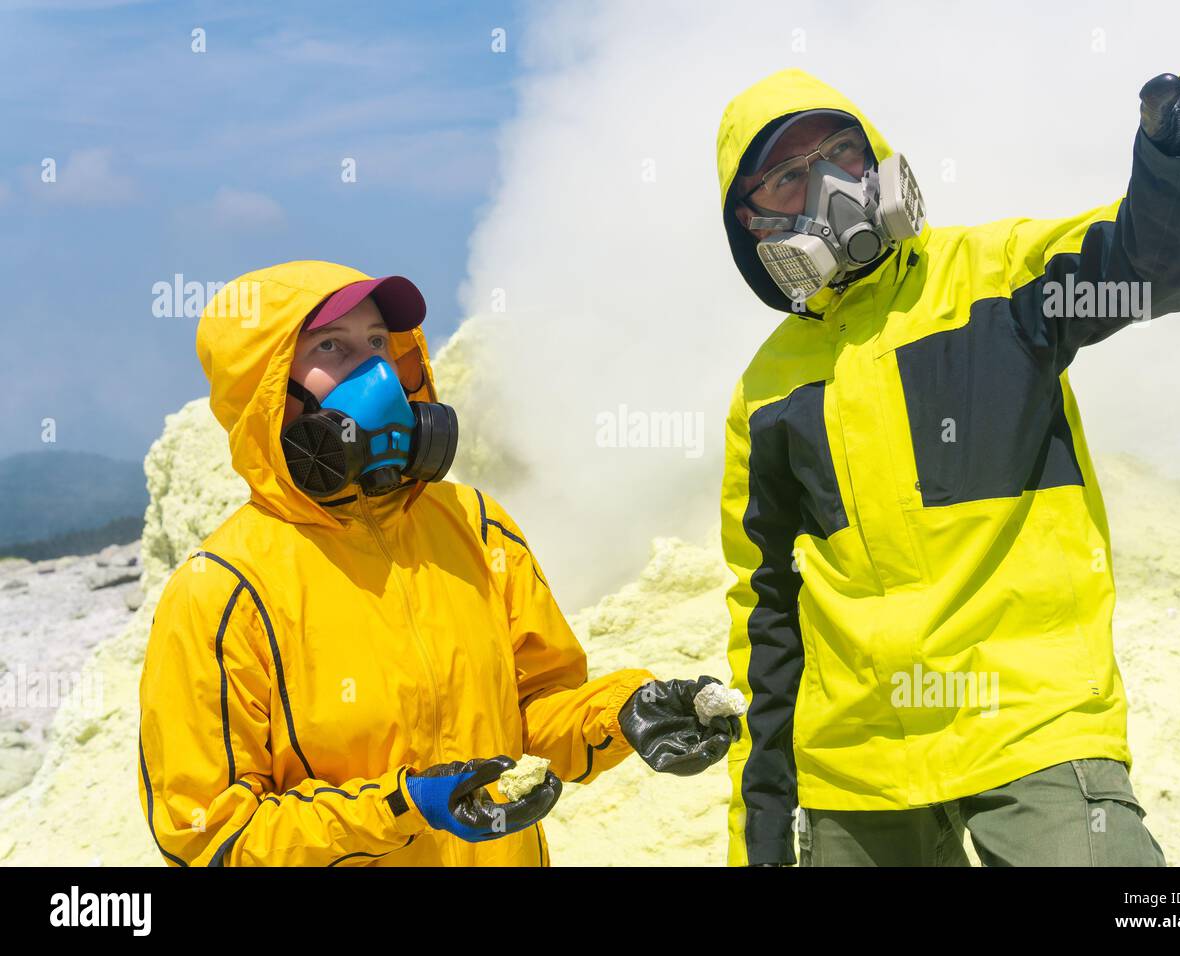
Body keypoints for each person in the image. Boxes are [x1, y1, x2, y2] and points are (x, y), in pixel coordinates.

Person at [716, 7, 1180, 866]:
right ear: (751, 224)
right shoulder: (765, 393)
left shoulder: (997, 278)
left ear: (878, 159)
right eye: (788, 178)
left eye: (841, 153)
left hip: (1032, 728)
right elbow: (766, 615)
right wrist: (761, 831)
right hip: (853, 775)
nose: (827, 185)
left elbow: (1142, 266)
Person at [137, 259, 738, 866]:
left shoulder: (475, 527)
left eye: (377, 342)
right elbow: (209, 835)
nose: (374, 371)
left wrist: (624, 712)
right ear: (263, 388)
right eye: (331, 347)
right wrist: (404, 809)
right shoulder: (222, 590)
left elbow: (530, 719)